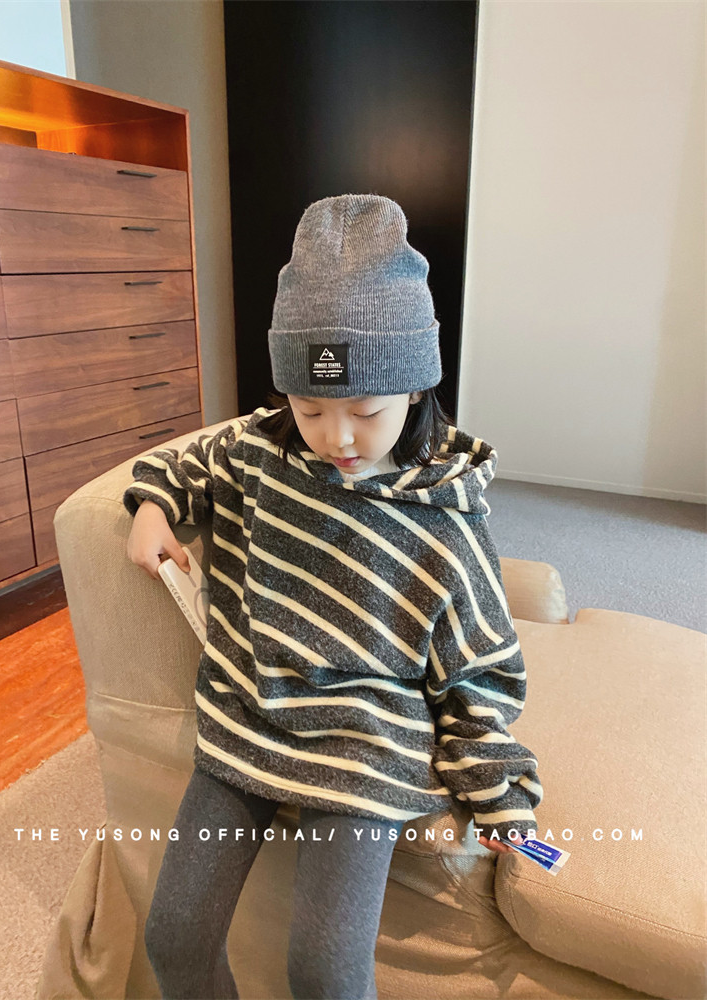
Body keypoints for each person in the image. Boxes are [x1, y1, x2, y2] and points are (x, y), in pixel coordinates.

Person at [123, 193, 543, 1000]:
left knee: (323, 972)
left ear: (415, 390)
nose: (338, 437)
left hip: (365, 751)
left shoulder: (446, 521)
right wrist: (152, 507)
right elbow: (188, 461)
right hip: (247, 718)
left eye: (366, 410)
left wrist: (502, 800)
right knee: (173, 937)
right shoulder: (260, 451)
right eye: (310, 407)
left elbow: (479, 675)